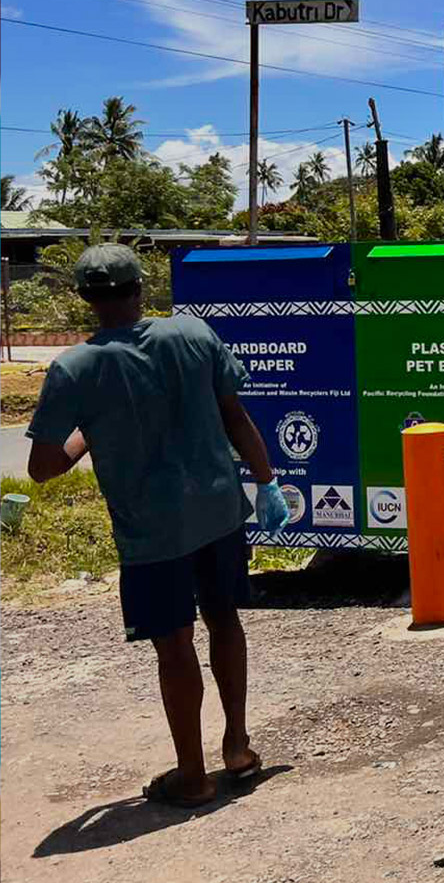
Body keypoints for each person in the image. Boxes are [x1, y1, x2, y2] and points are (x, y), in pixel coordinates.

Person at [26, 244, 287, 809]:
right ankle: (238, 748)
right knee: (225, 622)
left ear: (85, 299)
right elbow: (235, 417)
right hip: (218, 514)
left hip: (152, 533)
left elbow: (44, 467)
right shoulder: (193, 335)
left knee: (174, 648)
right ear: (142, 288)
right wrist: (266, 481)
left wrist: (90, 431)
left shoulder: (75, 367)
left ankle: (192, 777)